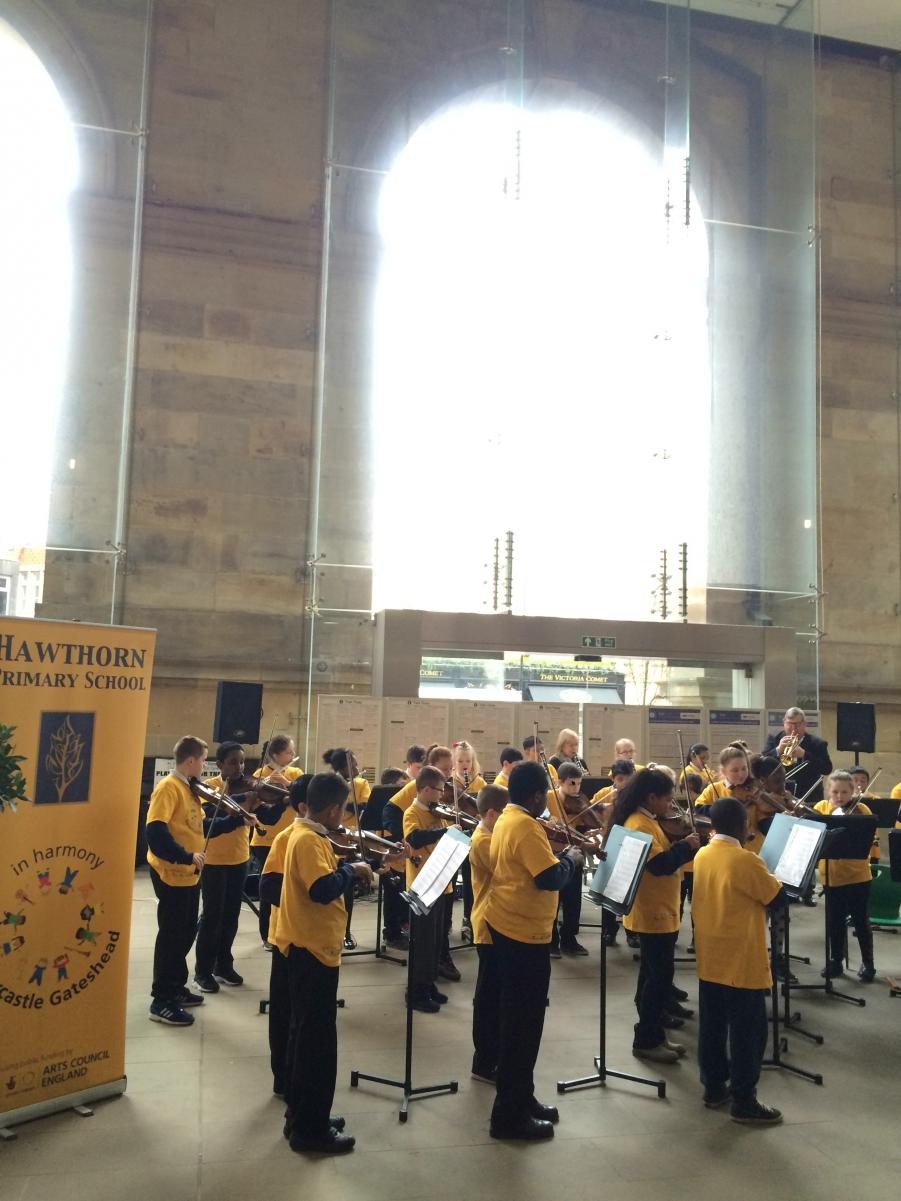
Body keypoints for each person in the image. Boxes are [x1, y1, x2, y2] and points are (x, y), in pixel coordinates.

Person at [483, 761, 584, 1141]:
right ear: (536, 795)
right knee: (522, 1026)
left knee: (521, 1021)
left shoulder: (510, 816)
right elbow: (549, 878)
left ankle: (522, 1097)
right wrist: (571, 861)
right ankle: (508, 1117)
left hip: (511, 924)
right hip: (523, 932)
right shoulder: (526, 826)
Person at [277, 771, 377, 1155]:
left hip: (313, 947)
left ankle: (305, 1114)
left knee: (307, 1037)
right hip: (310, 950)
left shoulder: (310, 836)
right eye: (343, 811)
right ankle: (309, 1130)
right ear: (334, 809)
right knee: (316, 1043)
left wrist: (347, 870)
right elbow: (320, 889)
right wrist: (352, 870)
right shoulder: (306, 840)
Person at [691, 796, 786, 1125]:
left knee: (713, 1026)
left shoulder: (703, 854)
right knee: (748, 1032)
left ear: (713, 826)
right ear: (744, 826)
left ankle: (714, 1087)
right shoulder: (746, 861)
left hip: (711, 955)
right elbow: (777, 898)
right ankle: (744, 1099)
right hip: (741, 958)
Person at [613, 768, 699, 1064]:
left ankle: (654, 1034)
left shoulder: (648, 820)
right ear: (651, 798)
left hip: (659, 909)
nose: (670, 805)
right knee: (658, 979)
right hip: (651, 912)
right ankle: (646, 1038)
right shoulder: (639, 824)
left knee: (652, 976)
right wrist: (686, 847)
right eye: (667, 799)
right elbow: (658, 865)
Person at [145, 736, 209, 1026]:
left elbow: (197, 825)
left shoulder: (189, 788)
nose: (205, 765)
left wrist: (238, 820)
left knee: (185, 932)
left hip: (188, 874)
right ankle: (162, 1000)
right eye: (204, 759)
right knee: (172, 935)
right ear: (191, 760)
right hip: (172, 873)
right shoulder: (168, 788)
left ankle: (176, 987)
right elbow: (156, 834)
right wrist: (185, 857)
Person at [259, 774, 312, 1096]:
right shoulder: (288, 838)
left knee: (301, 1015)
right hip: (289, 937)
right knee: (285, 1012)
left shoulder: (320, 837)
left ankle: (296, 1076)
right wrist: (306, 897)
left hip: (311, 938)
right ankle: (283, 1076)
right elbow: (268, 887)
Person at [193, 741, 253, 993]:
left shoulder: (250, 787)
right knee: (212, 917)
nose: (239, 767)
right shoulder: (210, 789)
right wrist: (242, 805)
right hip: (214, 861)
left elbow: (267, 816)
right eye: (232, 762)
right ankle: (202, 971)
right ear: (219, 765)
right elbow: (210, 822)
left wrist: (283, 800)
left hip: (239, 858)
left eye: (241, 762)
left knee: (231, 916)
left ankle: (223, 964)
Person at [814, 770, 877, 982]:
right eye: (835, 792)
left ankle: (868, 963)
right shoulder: (822, 809)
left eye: (844, 792)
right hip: (832, 877)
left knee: (861, 920)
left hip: (858, 876)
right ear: (828, 792)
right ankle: (836, 961)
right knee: (835, 921)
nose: (839, 797)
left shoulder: (861, 809)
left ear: (853, 791)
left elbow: (869, 836)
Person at [402, 765, 454, 1012]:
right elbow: (414, 838)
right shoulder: (412, 812)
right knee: (422, 942)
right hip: (422, 885)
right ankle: (415, 992)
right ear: (424, 789)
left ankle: (429, 984)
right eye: (438, 791)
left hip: (441, 882)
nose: (442, 795)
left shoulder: (439, 812)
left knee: (435, 941)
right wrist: (445, 831)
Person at [250, 735, 304, 949]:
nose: (292, 755)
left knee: (289, 888)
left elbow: (303, 795)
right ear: (275, 755)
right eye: (289, 752)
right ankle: (266, 936)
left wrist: (286, 783)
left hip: (290, 837)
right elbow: (253, 797)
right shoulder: (259, 775)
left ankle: (286, 931)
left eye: (292, 752)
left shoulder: (296, 774)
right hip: (264, 840)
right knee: (269, 889)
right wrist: (265, 783)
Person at [469, 784, 508, 1084]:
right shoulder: (483, 839)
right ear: (492, 814)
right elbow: (507, 871)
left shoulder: (493, 833)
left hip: (497, 921)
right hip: (488, 922)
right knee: (487, 998)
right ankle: (484, 1060)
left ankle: (494, 1055)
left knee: (495, 995)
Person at [323, 748, 372, 950]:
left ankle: (346, 932)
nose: (356, 766)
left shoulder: (360, 783)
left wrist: (347, 804)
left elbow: (365, 807)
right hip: (329, 838)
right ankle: (328, 932)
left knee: (348, 889)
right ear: (344, 766)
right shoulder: (329, 783)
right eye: (353, 763)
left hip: (349, 839)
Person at [544, 763, 590, 957]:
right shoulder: (549, 797)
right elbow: (544, 820)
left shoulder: (580, 802)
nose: (576, 789)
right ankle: (552, 941)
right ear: (559, 782)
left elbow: (586, 826)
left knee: (574, 899)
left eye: (579, 784)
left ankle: (569, 939)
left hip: (575, 852)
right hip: (554, 852)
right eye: (571, 784)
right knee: (555, 898)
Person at [591, 759, 636, 946]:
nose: (624, 783)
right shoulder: (604, 794)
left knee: (631, 888)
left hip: (631, 843)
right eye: (620, 779)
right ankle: (609, 930)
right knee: (608, 888)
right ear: (613, 778)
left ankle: (632, 932)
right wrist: (602, 809)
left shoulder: (638, 797)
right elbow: (590, 810)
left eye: (629, 779)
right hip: (610, 842)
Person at [762, 707, 832, 803]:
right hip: (779, 795)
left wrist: (804, 754)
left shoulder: (818, 743)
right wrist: (778, 750)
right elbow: (762, 762)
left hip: (809, 796)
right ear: (784, 723)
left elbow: (827, 768)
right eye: (790, 724)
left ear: (805, 724)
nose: (793, 728)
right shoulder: (774, 739)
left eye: (798, 724)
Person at [849, 767, 881, 864]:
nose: (859, 783)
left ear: (868, 783)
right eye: (855, 780)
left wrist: (865, 798)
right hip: (851, 846)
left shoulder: (875, 800)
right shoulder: (844, 801)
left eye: (863, 781)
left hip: (872, 847)